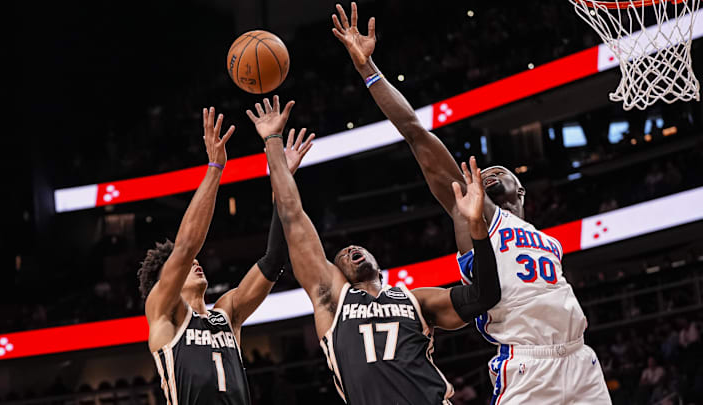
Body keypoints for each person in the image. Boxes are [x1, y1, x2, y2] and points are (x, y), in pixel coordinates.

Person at [331, 3, 611, 403]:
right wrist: (368, 70)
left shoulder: (546, 239)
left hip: (581, 359)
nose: (492, 171)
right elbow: (415, 133)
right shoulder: (472, 211)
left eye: (502, 170)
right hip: (529, 363)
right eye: (487, 169)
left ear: (522, 193)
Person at [245, 95, 501, 405]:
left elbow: (484, 296)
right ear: (335, 272)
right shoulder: (332, 298)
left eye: (357, 247)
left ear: (379, 266)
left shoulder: (415, 299)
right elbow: (291, 214)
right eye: (342, 254)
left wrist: (476, 228)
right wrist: (274, 142)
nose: (351, 248)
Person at [137, 106, 313, 405]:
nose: (196, 262)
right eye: (181, 266)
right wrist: (215, 167)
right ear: (164, 280)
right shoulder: (164, 312)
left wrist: (282, 176)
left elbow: (273, 260)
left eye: (196, 262)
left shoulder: (227, 313)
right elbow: (186, 247)